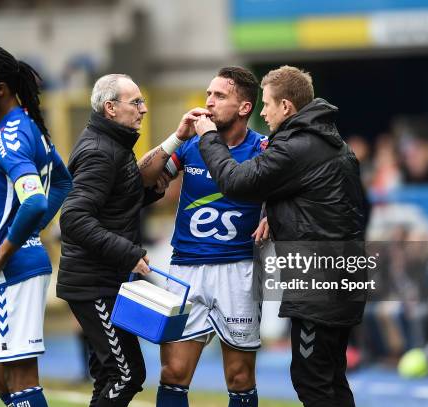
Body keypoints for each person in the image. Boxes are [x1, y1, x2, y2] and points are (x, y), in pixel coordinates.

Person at [195, 65, 366, 407]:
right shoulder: (329, 142)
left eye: (268, 104)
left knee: (312, 381)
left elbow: (237, 183)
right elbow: (317, 199)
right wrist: (272, 213)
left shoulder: (296, 147)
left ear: (286, 107)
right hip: (343, 273)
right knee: (332, 378)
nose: (263, 111)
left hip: (318, 280)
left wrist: (208, 137)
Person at [138, 66, 267, 407]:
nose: (209, 102)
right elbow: (142, 179)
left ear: (244, 108)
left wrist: (271, 213)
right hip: (187, 270)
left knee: (240, 377)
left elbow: (287, 190)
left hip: (239, 271)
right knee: (173, 373)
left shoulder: (264, 148)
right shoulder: (190, 145)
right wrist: (175, 137)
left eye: (220, 96)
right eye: (208, 94)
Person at [0, 45, 72, 407]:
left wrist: (8, 248)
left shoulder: (10, 137)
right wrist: (29, 232)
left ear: (0, 89)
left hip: (11, 269)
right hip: (5, 268)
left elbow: (37, 198)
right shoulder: (28, 126)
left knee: (21, 379)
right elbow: (62, 182)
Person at [57, 74, 162, 407]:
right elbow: (73, 218)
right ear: (111, 108)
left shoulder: (115, 143)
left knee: (110, 374)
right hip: (94, 283)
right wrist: (128, 253)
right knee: (127, 374)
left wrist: (152, 191)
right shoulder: (102, 151)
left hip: (105, 279)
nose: (143, 110)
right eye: (136, 103)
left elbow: (115, 201)